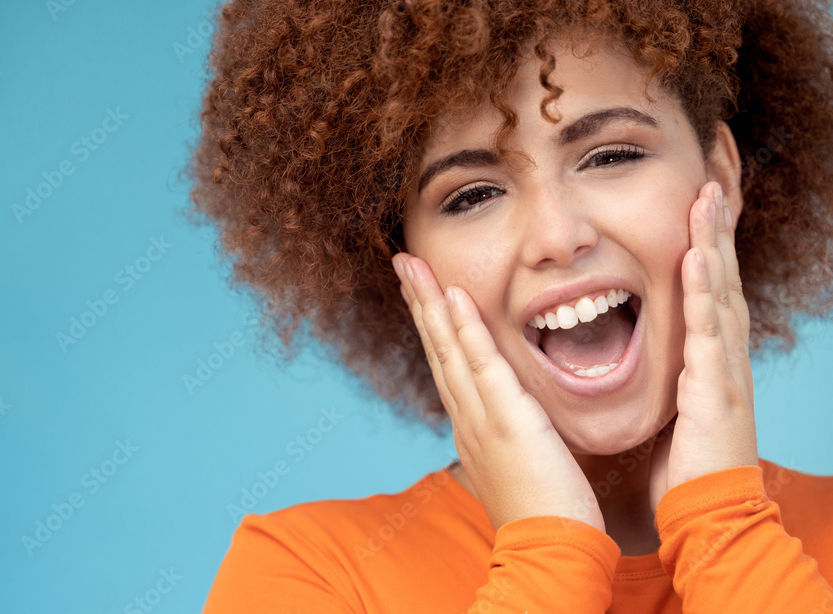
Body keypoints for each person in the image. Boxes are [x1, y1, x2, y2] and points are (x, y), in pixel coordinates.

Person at [191, 0, 833, 611]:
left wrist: (726, 529)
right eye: (471, 195)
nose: (557, 237)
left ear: (720, 177)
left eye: (610, 155)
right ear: (404, 260)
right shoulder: (310, 574)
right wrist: (548, 557)